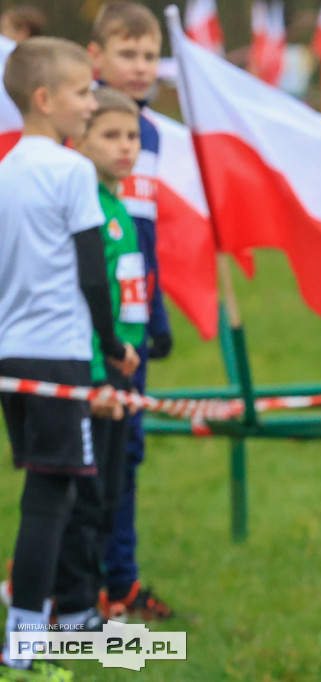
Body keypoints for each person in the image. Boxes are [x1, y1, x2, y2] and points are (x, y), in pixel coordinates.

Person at [0, 36, 139, 680]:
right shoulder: (72, 170)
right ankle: (29, 642)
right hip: (59, 357)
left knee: (44, 490)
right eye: (83, 93)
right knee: (51, 499)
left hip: (11, 355)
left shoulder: (4, 172)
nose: (91, 103)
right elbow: (93, 277)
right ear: (44, 98)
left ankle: (55, 622)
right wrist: (112, 348)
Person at [87, 1, 175, 622]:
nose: (141, 67)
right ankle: (88, 583)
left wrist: (157, 313)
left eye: (149, 55)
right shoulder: (84, 124)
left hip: (134, 324)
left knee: (128, 452)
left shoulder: (152, 133)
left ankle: (117, 577)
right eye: (127, 54)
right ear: (96, 57)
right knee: (96, 456)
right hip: (96, 330)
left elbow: (140, 238)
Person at [50, 87, 148, 633]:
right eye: (110, 136)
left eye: (131, 136)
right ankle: (73, 613)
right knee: (83, 497)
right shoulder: (85, 202)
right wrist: (96, 373)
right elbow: (81, 293)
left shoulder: (119, 203)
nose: (125, 147)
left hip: (123, 364)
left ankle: (88, 603)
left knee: (108, 492)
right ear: (79, 140)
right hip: (92, 370)